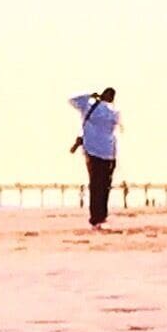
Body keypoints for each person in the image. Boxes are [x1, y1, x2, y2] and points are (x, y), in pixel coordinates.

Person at [68, 87, 120, 228]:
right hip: (105, 152)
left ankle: (97, 217)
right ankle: (100, 217)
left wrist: (90, 95)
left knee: (97, 185)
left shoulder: (91, 106)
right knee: (102, 186)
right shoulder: (112, 112)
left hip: (97, 151)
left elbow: (72, 100)